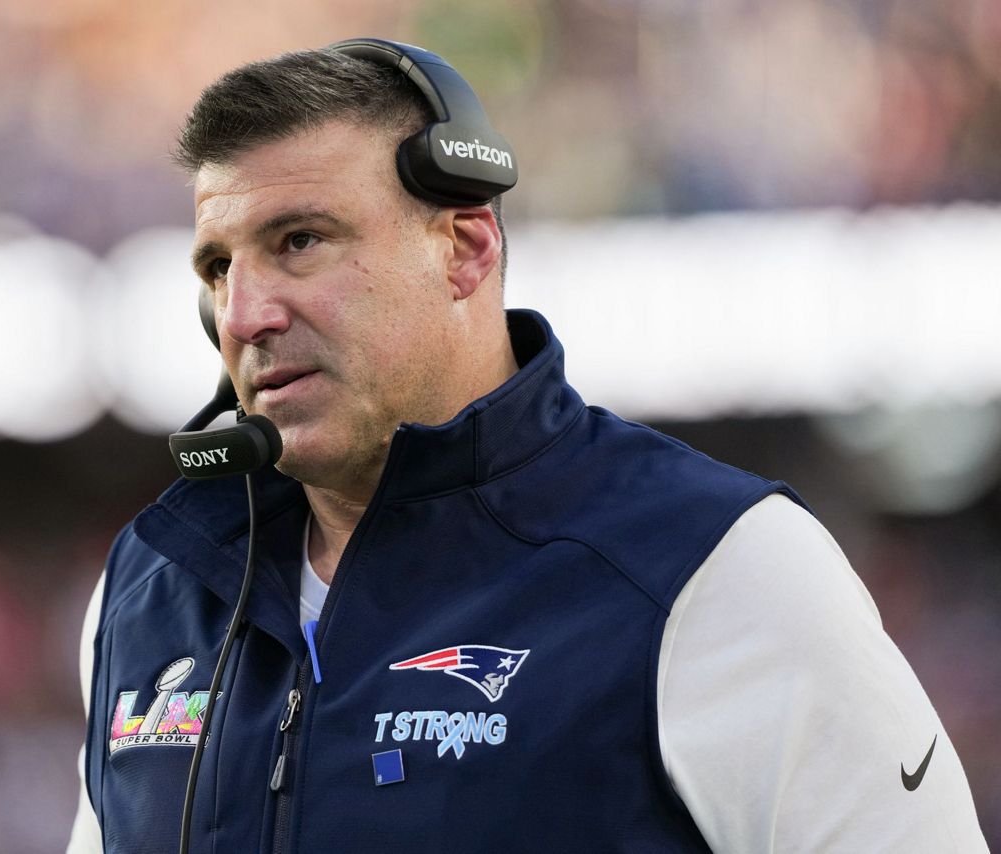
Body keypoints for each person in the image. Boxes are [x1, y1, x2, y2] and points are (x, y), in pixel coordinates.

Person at [67, 41, 988, 854]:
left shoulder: (719, 567)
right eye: (218, 266)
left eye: (300, 240)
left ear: (465, 248)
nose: (243, 315)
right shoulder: (150, 585)